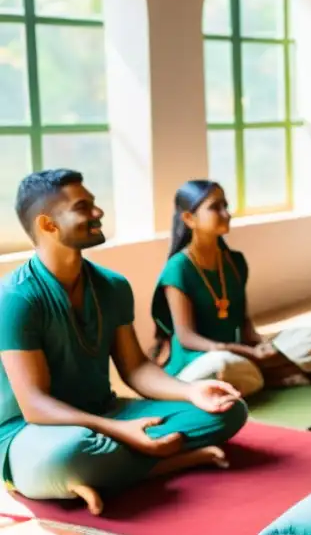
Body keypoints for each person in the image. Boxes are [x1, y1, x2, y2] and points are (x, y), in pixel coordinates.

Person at [0, 169, 248, 516]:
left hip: (107, 411)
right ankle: (162, 463)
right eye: (83, 207)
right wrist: (121, 431)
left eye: (94, 204)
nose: (98, 213)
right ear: (48, 225)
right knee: (70, 456)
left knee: (229, 411)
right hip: (37, 432)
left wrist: (191, 392)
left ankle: (110, 472)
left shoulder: (113, 286)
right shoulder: (16, 297)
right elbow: (35, 405)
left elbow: (136, 368)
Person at [151, 180, 311, 397]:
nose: (226, 214)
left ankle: (259, 375)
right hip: (201, 358)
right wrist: (242, 351)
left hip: (241, 353)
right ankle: (270, 373)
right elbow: (187, 337)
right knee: (224, 365)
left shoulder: (234, 262)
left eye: (225, 206)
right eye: (215, 207)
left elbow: (244, 322)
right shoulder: (178, 268)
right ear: (189, 219)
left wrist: (261, 344)